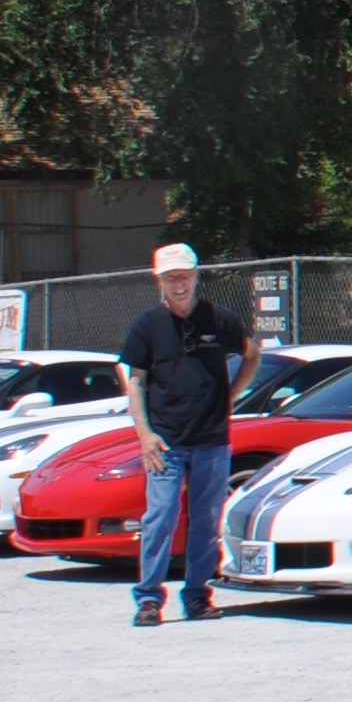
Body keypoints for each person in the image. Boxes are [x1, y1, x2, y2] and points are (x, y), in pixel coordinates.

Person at [116, 241, 259, 627]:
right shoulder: (147, 325)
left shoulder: (221, 318)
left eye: (185, 276)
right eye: (170, 278)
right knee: (160, 516)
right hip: (165, 442)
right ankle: (148, 600)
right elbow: (135, 382)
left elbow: (252, 354)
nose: (179, 284)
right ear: (158, 281)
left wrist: (230, 394)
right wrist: (145, 434)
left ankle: (197, 595)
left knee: (206, 519)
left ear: (197, 276)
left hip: (212, 439)